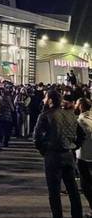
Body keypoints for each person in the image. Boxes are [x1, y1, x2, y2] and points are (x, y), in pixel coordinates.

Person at [34, 90, 83, 218]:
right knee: (73, 190)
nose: (44, 100)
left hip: (53, 156)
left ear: (50, 100)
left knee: (54, 192)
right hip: (68, 155)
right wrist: (73, 146)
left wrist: (44, 151)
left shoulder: (45, 115)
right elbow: (81, 135)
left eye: (45, 98)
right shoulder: (70, 115)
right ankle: (77, 215)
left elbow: (37, 138)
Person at [76, 97, 92, 217]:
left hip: (85, 155)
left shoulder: (81, 120)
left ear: (80, 106)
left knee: (85, 184)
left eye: (77, 104)